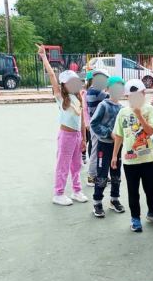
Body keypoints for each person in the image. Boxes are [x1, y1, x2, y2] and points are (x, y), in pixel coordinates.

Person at [112, 79, 153, 232]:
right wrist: (114, 156)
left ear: (143, 94)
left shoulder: (149, 109)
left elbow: (150, 132)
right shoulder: (122, 112)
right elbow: (119, 135)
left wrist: (139, 115)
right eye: (131, 96)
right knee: (133, 191)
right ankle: (135, 218)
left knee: (152, 189)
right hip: (130, 161)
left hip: (147, 158)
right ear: (127, 96)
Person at [37, 45, 88, 206]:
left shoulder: (79, 97)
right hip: (66, 136)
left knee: (77, 165)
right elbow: (52, 76)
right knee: (63, 165)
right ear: (63, 85)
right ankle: (58, 193)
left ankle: (76, 191)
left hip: (77, 136)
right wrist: (44, 57)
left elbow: (82, 122)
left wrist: (83, 139)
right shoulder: (61, 98)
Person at [90, 76, 125, 218]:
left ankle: (114, 199)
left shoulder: (122, 108)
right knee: (102, 174)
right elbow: (94, 123)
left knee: (116, 174)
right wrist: (109, 133)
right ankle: (97, 202)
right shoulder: (103, 105)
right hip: (104, 146)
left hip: (118, 147)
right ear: (108, 89)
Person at [85, 69, 110, 186]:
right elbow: (112, 97)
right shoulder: (96, 91)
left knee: (101, 151)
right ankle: (91, 176)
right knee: (95, 151)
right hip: (97, 126)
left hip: (98, 125)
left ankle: (100, 174)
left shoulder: (92, 90)